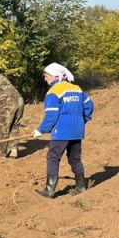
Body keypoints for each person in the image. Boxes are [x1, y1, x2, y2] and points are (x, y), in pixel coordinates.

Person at [32, 63, 94, 198]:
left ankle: (49, 190)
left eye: (46, 76)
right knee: (75, 158)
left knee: (53, 157)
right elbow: (89, 105)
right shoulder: (76, 88)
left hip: (61, 131)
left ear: (54, 76)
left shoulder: (54, 92)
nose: (45, 79)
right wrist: (83, 119)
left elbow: (52, 116)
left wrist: (41, 130)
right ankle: (81, 186)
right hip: (77, 130)